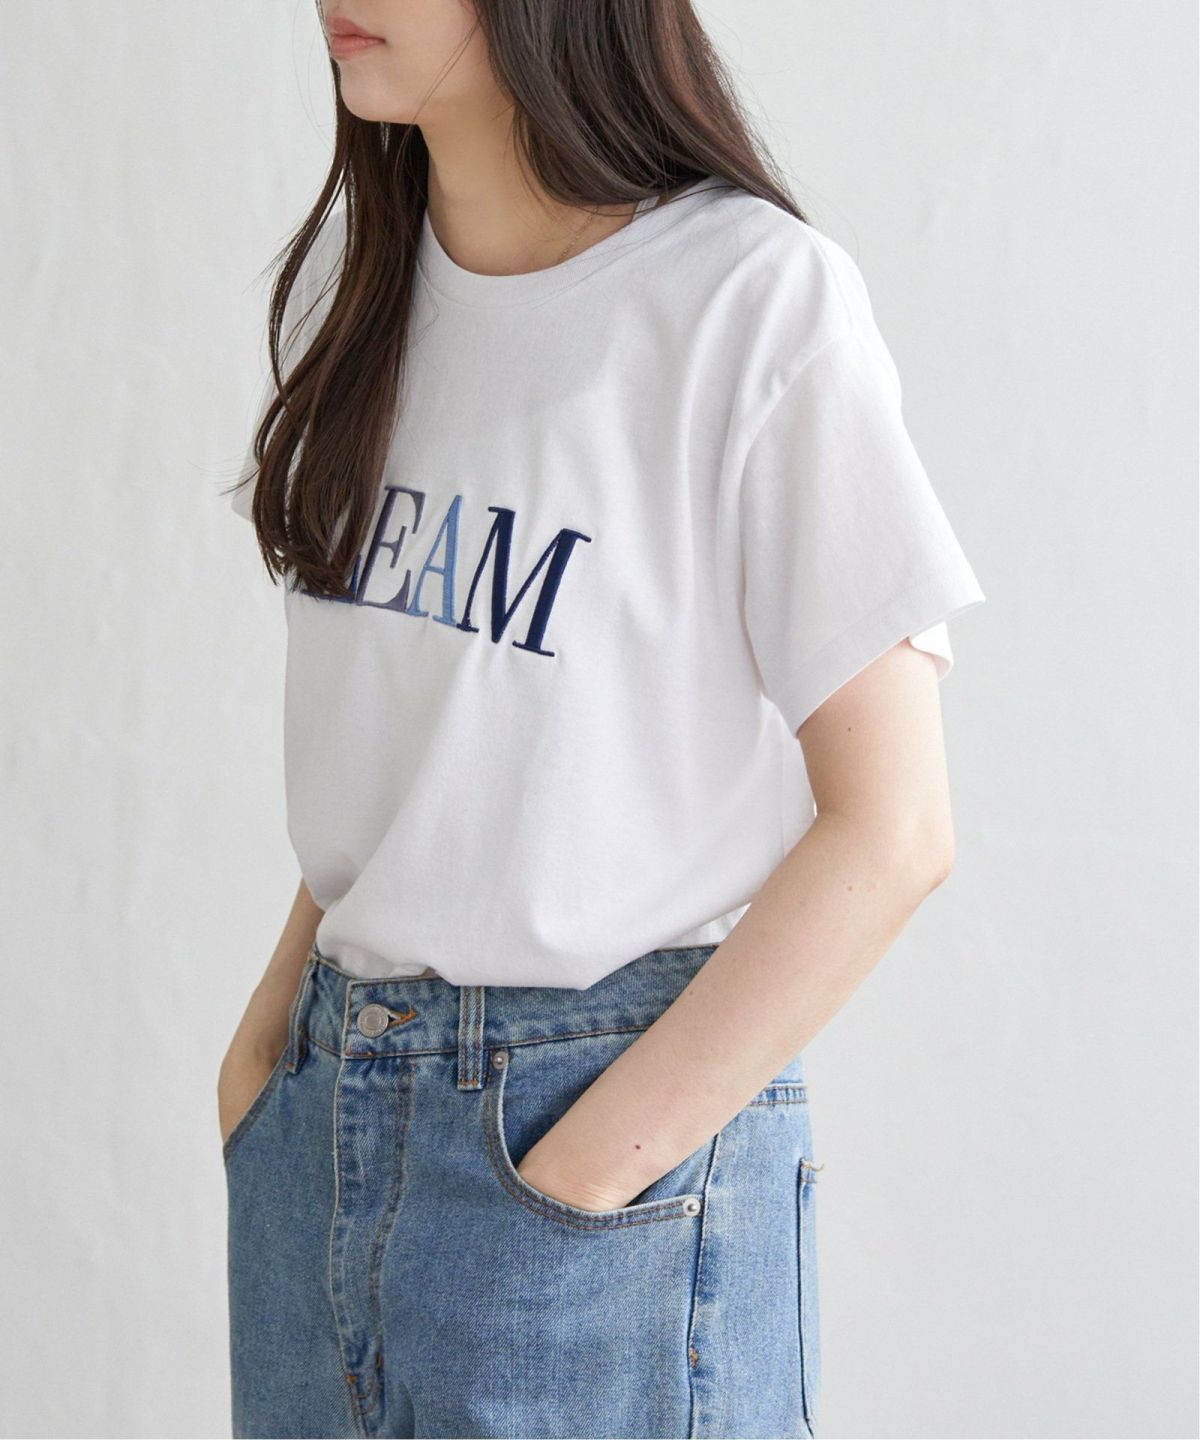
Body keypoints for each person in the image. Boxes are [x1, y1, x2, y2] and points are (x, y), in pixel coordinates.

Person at [217, 1, 986, 1436]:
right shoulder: (364, 290)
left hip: (588, 1147)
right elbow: (420, 742)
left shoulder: (747, 299)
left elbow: (894, 827)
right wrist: (265, 1055)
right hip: (319, 1123)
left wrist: (581, 1175)